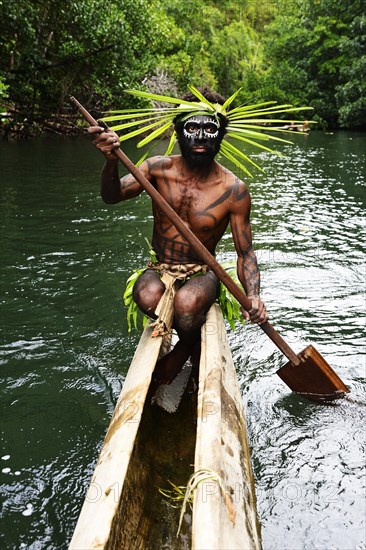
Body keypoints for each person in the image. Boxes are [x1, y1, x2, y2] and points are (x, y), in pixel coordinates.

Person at [88, 88, 268, 385]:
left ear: (221, 134)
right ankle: (187, 339)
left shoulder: (234, 190)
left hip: (202, 272)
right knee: (147, 295)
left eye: (209, 129)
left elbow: (244, 252)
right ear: (178, 132)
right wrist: (110, 160)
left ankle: (184, 346)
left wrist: (253, 296)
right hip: (161, 267)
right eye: (192, 128)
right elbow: (112, 195)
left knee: (186, 305)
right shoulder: (158, 168)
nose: (200, 137)